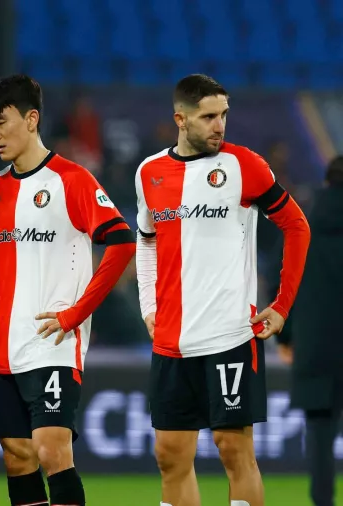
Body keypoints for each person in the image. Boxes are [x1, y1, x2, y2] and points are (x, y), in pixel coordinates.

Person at [0, 75, 136, 506]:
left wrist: (76, 314)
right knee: (17, 456)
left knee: (51, 449)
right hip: (4, 344)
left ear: (32, 119)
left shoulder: (71, 180)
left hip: (54, 341)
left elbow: (122, 242)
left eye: (1, 121)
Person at [134, 74, 311, 506]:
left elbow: (297, 226)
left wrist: (283, 305)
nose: (220, 125)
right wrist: (146, 304)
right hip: (172, 339)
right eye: (209, 116)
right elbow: (146, 239)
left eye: (224, 115)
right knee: (170, 456)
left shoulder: (244, 166)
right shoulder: (150, 172)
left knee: (234, 451)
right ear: (181, 118)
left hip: (230, 336)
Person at [275, 156, 343, 506]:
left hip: (315, 349)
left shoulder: (302, 227)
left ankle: (322, 502)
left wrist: (286, 338)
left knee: (319, 434)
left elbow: (283, 284)